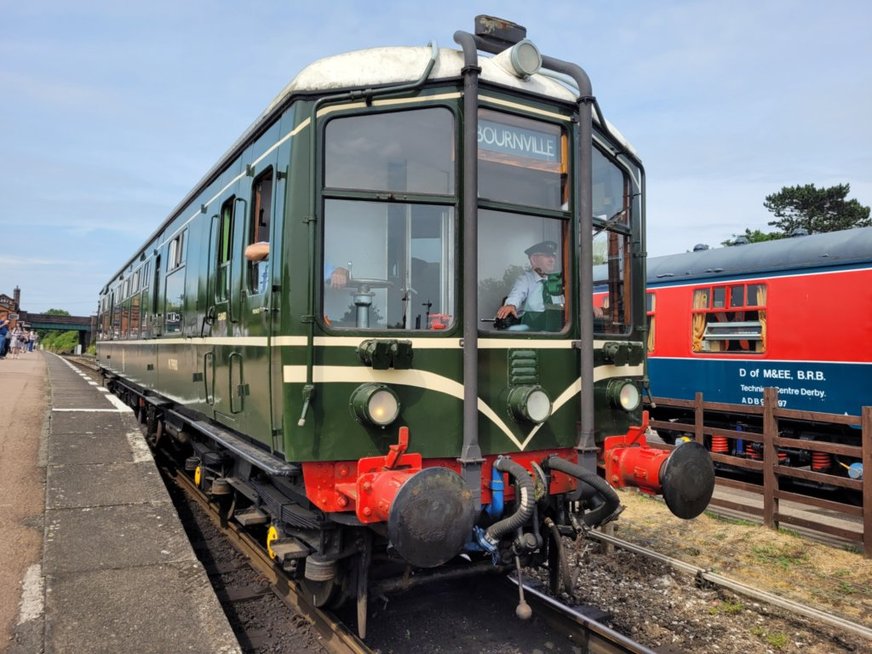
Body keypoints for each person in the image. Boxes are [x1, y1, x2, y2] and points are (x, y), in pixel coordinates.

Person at [496, 240, 565, 331]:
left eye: (553, 256)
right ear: (534, 259)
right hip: (531, 333)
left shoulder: (558, 282)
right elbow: (517, 293)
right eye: (547, 256)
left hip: (558, 332)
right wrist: (511, 305)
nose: (552, 260)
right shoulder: (525, 280)